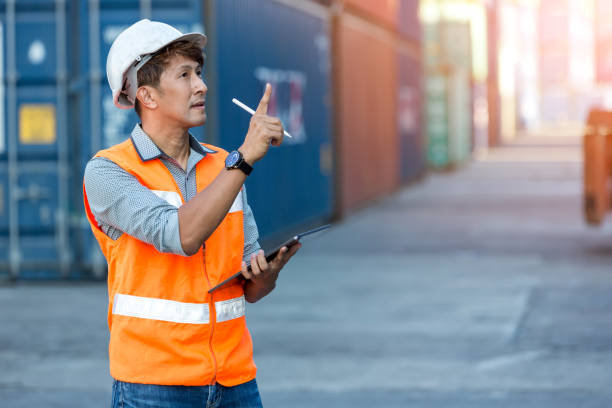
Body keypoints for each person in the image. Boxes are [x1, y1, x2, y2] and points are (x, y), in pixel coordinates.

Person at [83, 19, 300, 408]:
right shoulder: (109, 171)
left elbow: (250, 290)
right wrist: (245, 157)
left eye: (198, 72)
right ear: (147, 96)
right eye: (184, 75)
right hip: (153, 387)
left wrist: (266, 274)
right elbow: (180, 236)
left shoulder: (223, 166)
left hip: (235, 382)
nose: (201, 85)